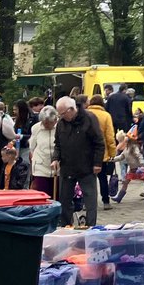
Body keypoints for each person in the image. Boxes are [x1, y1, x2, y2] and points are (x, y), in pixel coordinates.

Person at [52, 96, 105, 227]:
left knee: (90, 199)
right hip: (67, 167)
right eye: (60, 114)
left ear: (71, 109)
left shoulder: (89, 118)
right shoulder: (61, 123)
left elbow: (99, 142)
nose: (61, 116)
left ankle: (91, 225)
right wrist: (55, 158)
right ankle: (66, 225)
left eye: (63, 113)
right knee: (64, 199)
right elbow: (57, 144)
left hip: (86, 166)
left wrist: (97, 163)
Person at [86, 96, 117, 210]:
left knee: (87, 180)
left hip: (86, 153)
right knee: (103, 178)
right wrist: (112, 152)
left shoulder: (85, 114)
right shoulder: (106, 115)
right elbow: (110, 136)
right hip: (101, 153)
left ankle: (87, 203)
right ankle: (106, 201)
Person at [113, 131, 144, 204]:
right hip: (132, 169)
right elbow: (121, 157)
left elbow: (139, 155)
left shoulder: (133, 147)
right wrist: (112, 159)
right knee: (125, 183)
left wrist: (142, 165)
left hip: (139, 168)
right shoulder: (126, 148)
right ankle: (119, 197)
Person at [29, 105, 58, 196]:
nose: (46, 125)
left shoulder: (60, 127)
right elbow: (32, 147)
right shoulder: (35, 128)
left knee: (56, 195)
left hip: (57, 167)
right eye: (44, 122)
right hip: (40, 167)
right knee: (42, 194)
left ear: (55, 120)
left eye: (49, 122)